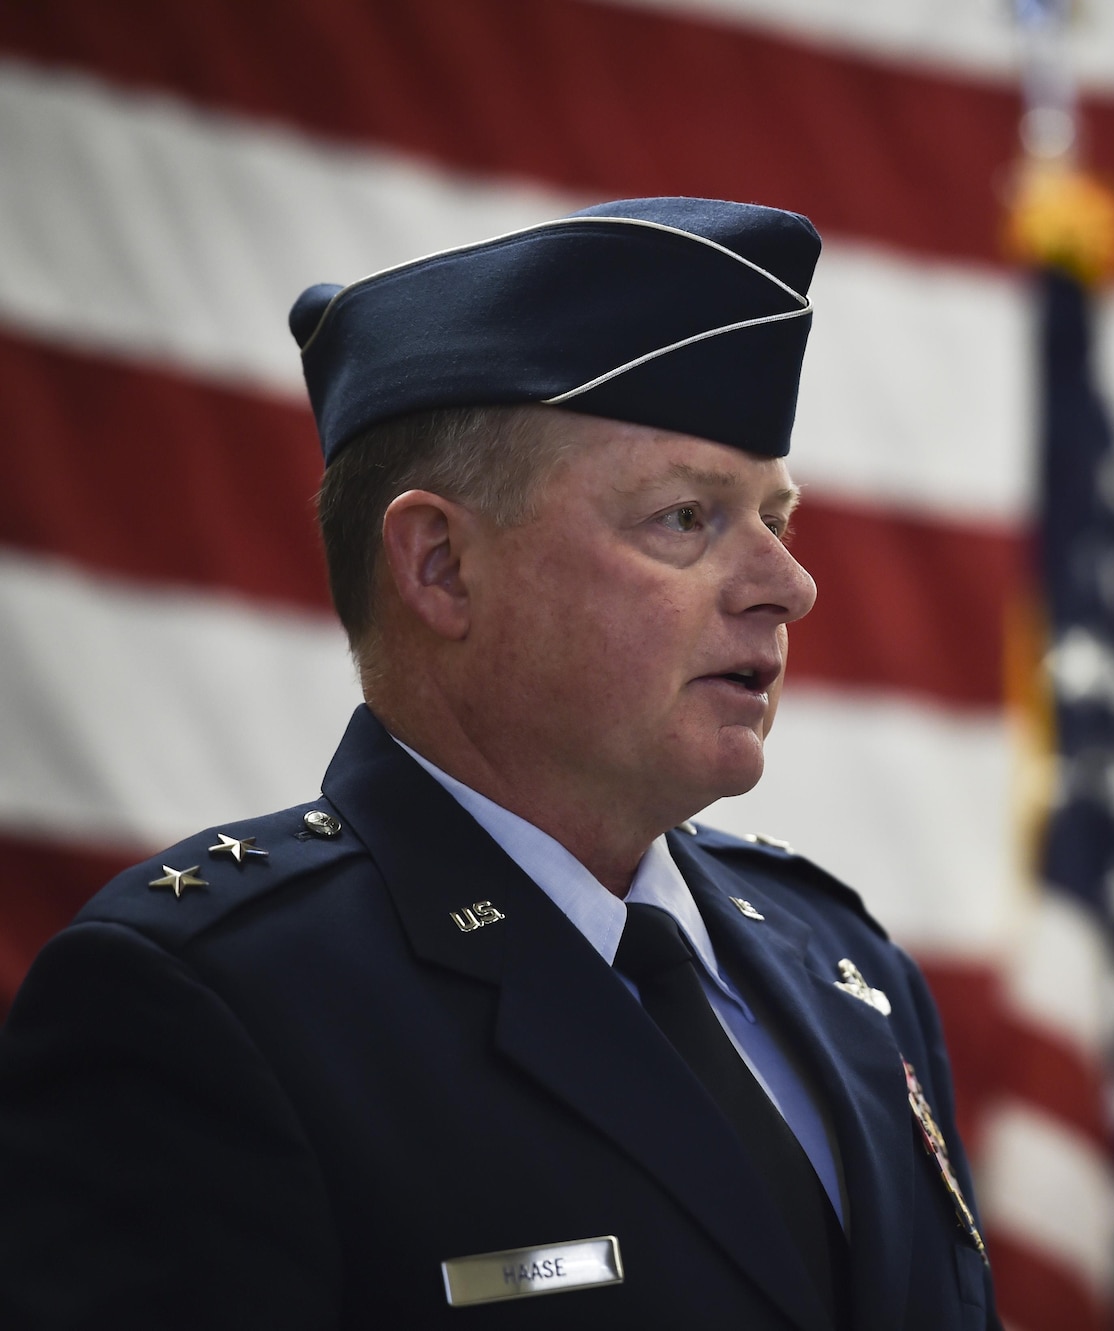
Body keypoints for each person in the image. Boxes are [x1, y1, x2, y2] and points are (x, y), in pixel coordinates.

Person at [0, 197, 996, 1331]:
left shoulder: (846, 968)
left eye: (777, 516)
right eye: (685, 516)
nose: (787, 584)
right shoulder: (211, 1005)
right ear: (441, 567)